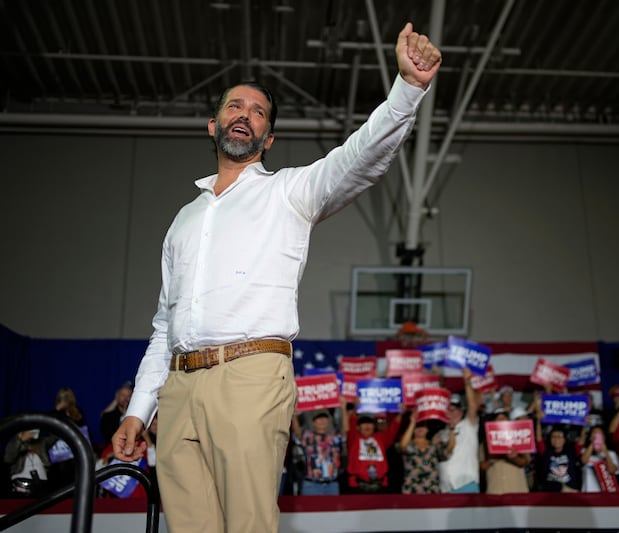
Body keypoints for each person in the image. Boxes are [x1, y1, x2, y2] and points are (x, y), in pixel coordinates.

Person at [111, 22, 441, 533]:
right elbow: (163, 326)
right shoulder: (183, 221)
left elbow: (360, 159)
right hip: (177, 388)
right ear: (213, 124)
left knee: (247, 525)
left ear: (268, 138)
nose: (245, 116)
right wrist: (139, 411)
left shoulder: (288, 193)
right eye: (234, 107)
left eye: (258, 112)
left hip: (250, 377)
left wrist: (407, 90)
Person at [438, 368, 481, 493]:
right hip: (445, 488)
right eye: (448, 409)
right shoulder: (441, 433)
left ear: (461, 411)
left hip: (466, 485)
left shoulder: (469, 425)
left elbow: (473, 406)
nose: (450, 413)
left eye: (454, 409)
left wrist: (468, 381)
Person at [291, 403, 348, 496]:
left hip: (332, 485)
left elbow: (345, 429)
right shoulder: (307, 437)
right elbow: (297, 432)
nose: (322, 420)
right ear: (313, 422)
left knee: (332, 510)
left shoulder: (334, 437)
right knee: (310, 510)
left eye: (325, 418)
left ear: (329, 421)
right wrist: (293, 413)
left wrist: (343, 408)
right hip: (311, 485)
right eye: (319, 418)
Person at [397, 410, 454, 494]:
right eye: (417, 426)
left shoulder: (434, 445)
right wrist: (412, 422)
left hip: (432, 491)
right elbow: (403, 446)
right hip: (411, 491)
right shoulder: (410, 446)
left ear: (427, 429)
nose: (420, 428)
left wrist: (452, 428)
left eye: (423, 425)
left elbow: (449, 449)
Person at [346, 412, 402, 493]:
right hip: (358, 486)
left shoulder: (381, 438)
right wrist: (356, 408)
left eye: (370, 424)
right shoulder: (354, 439)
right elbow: (352, 423)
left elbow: (394, 428)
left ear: (374, 426)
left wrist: (400, 413)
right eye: (364, 424)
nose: (367, 426)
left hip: (380, 485)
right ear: (358, 428)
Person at [480, 409, 531, 494]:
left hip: (517, 490)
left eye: (503, 418)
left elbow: (525, 462)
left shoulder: (519, 438)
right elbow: (482, 466)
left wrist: (514, 458)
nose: (501, 422)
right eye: (498, 419)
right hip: (495, 491)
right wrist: (493, 459)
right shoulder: (485, 444)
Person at [580, 425, 619, 492]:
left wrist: (605, 452)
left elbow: (612, 470)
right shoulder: (585, 451)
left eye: (599, 434)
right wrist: (593, 443)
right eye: (594, 433)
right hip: (587, 491)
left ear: (604, 438)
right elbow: (583, 461)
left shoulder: (611, 454)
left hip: (605, 493)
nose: (596, 436)